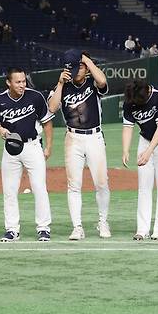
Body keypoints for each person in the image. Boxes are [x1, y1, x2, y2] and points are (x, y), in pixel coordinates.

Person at [48, 49, 111, 240]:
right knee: (74, 185)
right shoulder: (63, 86)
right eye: (73, 68)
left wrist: (86, 60)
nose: (76, 72)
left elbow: (103, 82)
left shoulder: (92, 82)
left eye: (79, 68)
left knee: (101, 183)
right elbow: (51, 107)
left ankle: (103, 221)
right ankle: (77, 226)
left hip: (94, 137)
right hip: (73, 138)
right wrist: (60, 83)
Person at [0, 68, 54, 242]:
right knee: (9, 190)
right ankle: (12, 229)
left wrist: (48, 146)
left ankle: (43, 228)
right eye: (18, 82)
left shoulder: (35, 97)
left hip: (33, 146)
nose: (22, 85)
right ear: (8, 82)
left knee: (39, 188)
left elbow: (47, 122)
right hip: (11, 148)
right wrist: (1, 131)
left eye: (23, 81)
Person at [122, 80, 158, 241]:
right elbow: (128, 126)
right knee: (144, 187)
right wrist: (125, 149)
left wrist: (148, 152)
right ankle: (142, 229)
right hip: (145, 139)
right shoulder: (130, 100)